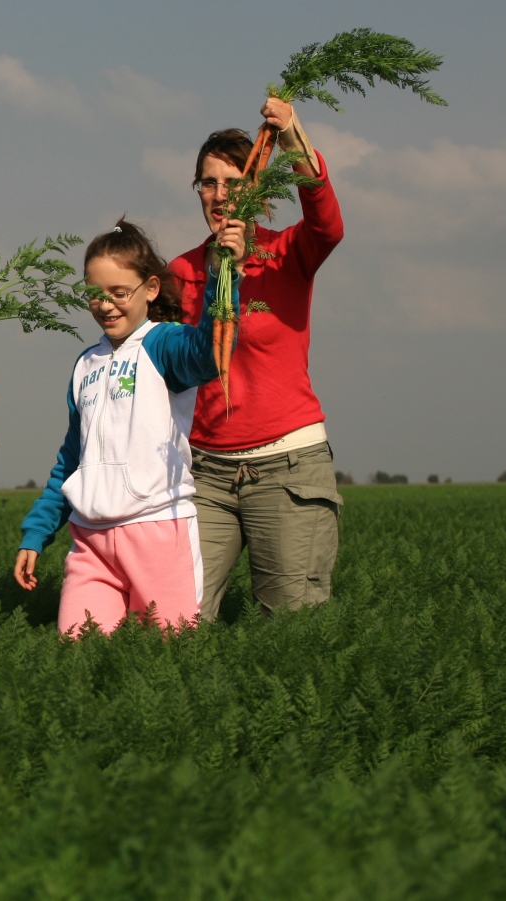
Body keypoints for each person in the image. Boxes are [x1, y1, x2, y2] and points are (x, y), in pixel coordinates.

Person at [170, 97, 345, 620]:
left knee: (291, 628)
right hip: (205, 472)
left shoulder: (288, 252)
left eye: (232, 182)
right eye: (208, 183)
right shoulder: (181, 271)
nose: (220, 195)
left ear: (256, 191)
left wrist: (292, 135)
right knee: (175, 617)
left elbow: (329, 224)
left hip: (288, 466)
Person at [13, 220, 230, 635]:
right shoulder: (85, 365)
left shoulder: (164, 345)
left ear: (150, 289)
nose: (106, 305)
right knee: (80, 657)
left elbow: (210, 353)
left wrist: (224, 278)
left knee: (167, 658)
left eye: (119, 293)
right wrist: (36, 532)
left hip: (157, 533)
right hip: (90, 542)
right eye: (95, 294)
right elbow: (72, 461)